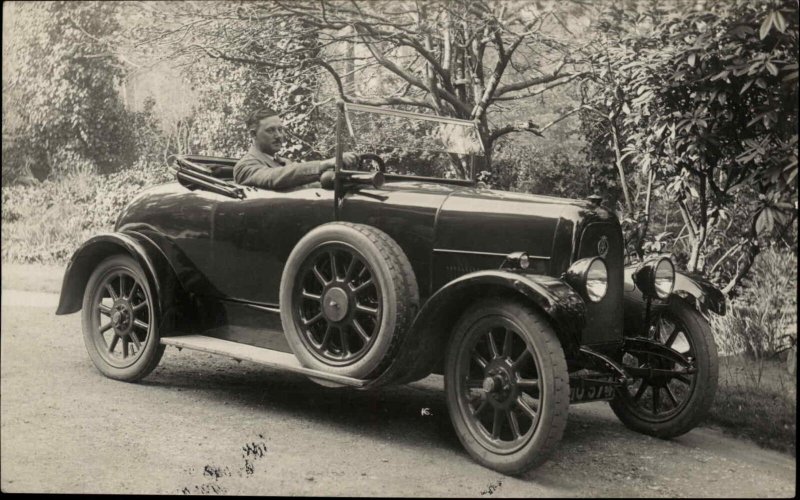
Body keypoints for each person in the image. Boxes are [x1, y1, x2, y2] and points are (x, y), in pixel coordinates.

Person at [234, 108, 358, 190]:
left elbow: (308, 185)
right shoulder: (244, 166)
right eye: (270, 130)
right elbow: (273, 177)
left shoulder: (285, 162)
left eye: (280, 129)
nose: (279, 136)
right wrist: (323, 164)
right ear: (253, 134)